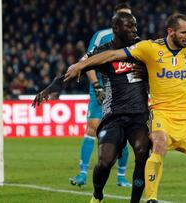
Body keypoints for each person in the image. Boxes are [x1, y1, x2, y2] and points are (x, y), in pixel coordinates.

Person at [64, 13, 186, 203]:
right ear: (171, 32)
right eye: (184, 32)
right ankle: (151, 199)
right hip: (161, 113)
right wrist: (81, 65)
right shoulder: (149, 48)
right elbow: (112, 55)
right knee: (158, 144)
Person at [33, 12, 151, 203]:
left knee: (142, 151)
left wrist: (146, 72)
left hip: (139, 115)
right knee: (105, 163)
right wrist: (49, 90)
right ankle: (97, 195)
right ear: (116, 29)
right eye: (129, 26)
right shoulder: (102, 52)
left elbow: (163, 68)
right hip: (114, 115)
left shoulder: (143, 48)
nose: (134, 30)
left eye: (135, 26)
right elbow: (75, 70)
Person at [69, 2, 133, 188]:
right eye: (122, 15)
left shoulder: (134, 39)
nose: (125, 20)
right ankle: (82, 174)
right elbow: (86, 62)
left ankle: (121, 177)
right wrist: (97, 86)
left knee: (125, 133)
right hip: (101, 88)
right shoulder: (101, 36)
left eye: (128, 16)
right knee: (93, 128)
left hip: (122, 91)